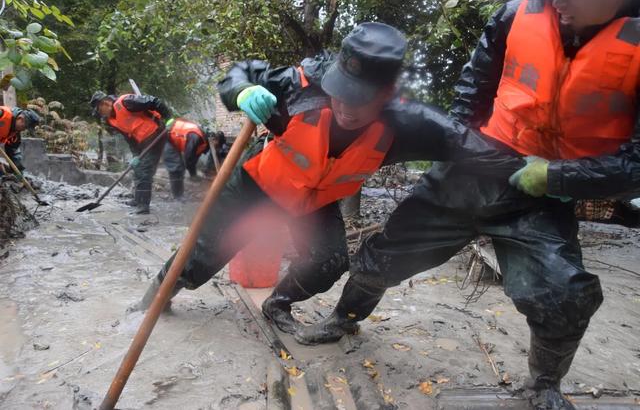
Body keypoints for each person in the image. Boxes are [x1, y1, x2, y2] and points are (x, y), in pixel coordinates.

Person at [296, 0, 640, 409]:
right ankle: (343, 318)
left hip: (544, 192)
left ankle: (544, 383)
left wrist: (559, 177)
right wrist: (456, 149)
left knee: (564, 295)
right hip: (471, 170)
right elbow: (472, 91)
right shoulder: (516, 14)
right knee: (385, 255)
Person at [127, 23, 513, 325]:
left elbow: (466, 143)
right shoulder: (299, 84)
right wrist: (242, 91)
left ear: (386, 95)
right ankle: (151, 302)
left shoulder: (408, 124)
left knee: (329, 261)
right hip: (259, 184)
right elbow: (240, 71)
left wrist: (530, 171)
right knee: (204, 253)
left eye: (360, 99)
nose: (345, 107)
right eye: (340, 92)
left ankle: (278, 303)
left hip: (314, 203)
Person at [90, 92, 174, 214]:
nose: (100, 114)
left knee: (145, 170)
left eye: (99, 110)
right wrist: (135, 155)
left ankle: (143, 206)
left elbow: (154, 101)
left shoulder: (126, 102)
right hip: (142, 141)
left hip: (156, 134)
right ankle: (137, 199)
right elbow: (129, 137)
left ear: (105, 103)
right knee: (137, 168)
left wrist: (168, 117)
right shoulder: (111, 120)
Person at [164, 118, 212, 199]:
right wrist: (192, 174)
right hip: (167, 138)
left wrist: (193, 174)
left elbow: (194, 158)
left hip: (174, 138)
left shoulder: (200, 139)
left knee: (181, 166)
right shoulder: (195, 138)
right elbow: (189, 157)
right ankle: (178, 196)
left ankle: (180, 193)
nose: (202, 154)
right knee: (176, 167)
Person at [0, 106, 41, 176]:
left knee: (2, 172)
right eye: (25, 127)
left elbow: (13, 151)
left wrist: (18, 169)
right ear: (20, 118)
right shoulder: (3, 114)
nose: (24, 130)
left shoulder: (14, 134)